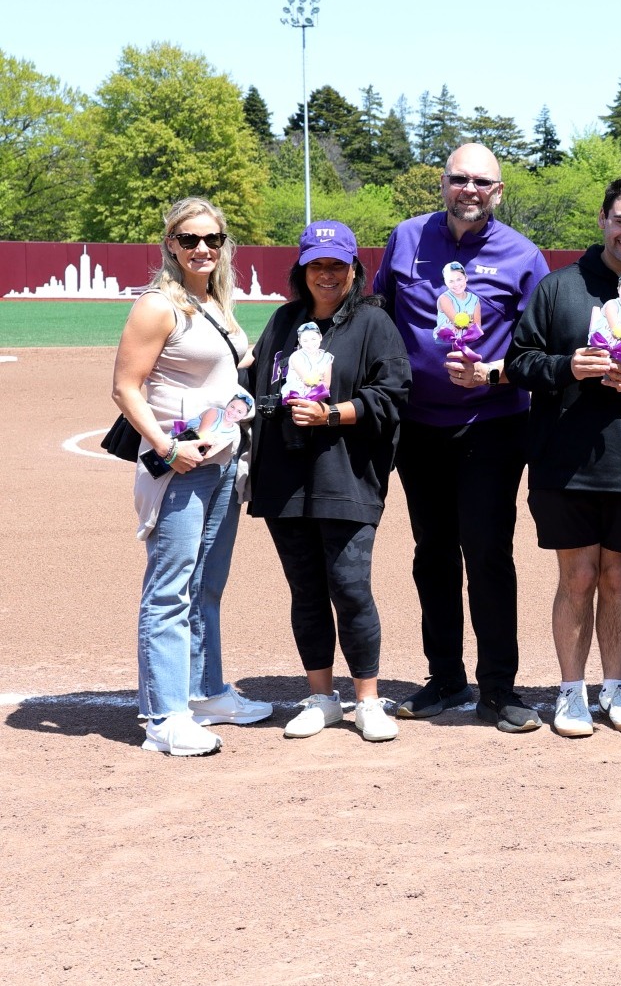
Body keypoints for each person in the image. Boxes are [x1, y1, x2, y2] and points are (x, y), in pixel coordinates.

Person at [375, 144, 550, 733]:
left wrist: (492, 372)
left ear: (498, 191)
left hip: (493, 425)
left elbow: (534, 349)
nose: (469, 189)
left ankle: (498, 686)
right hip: (418, 426)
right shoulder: (406, 238)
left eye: (482, 182)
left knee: (488, 553)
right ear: (443, 184)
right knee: (433, 554)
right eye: (459, 179)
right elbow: (379, 312)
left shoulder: (523, 257)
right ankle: (445, 676)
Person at [507, 176, 621, 738]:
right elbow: (520, 360)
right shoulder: (560, 288)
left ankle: (616, 687)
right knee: (577, 576)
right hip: (563, 460)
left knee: (618, 577)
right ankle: (571, 692)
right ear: (603, 218)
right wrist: (565, 367)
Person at [110, 197, 272, 755]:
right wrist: (166, 446)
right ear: (171, 246)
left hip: (223, 462)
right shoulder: (158, 305)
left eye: (213, 240)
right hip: (180, 467)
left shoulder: (217, 302)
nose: (202, 249)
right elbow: (126, 388)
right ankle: (164, 716)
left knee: (207, 584)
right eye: (190, 240)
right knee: (169, 590)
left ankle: (205, 693)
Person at [246, 221, 412, 743]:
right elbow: (256, 387)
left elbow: (392, 393)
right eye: (316, 265)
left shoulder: (373, 322)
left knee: (350, 587)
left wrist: (333, 414)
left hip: (347, 478)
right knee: (307, 591)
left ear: (354, 270)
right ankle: (321, 697)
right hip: (285, 479)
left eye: (337, 266)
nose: (326, 275)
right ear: (301, 269)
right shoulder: (283, 321)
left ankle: (366, 699)